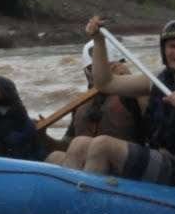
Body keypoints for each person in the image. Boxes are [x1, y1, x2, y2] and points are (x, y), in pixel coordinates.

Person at [79, 17, 175, 187]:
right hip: (161, 157)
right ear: (163, 49)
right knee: (80, 144)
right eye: (172, 46)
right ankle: (67, 205)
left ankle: (84, 207)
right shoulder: (158, 79)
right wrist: (98, 40)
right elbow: (105, 83)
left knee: (102, 145)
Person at [45, 36, 147, 168]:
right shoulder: (80, 104)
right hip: (86, 165)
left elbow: (154, 122)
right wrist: (45, 138)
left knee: (92, 146)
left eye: (104, 67)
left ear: (118, 65)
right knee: (54, 157)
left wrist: (129, 78)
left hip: (122, 163)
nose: (96, 73)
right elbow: (66, 146)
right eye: (91, 68)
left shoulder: (133, 96)